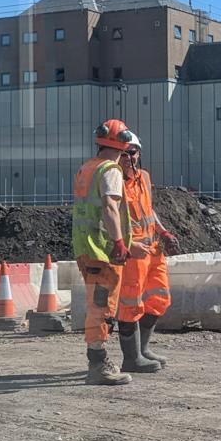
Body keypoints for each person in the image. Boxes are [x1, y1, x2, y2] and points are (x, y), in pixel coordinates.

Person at [72, 119, 148, 386]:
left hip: (86, 247)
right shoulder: (110, 170)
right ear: (124, 141)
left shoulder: (87, 168)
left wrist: (127, 244)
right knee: (102, 308)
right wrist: (119, 243)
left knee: (97, 304)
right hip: (102, 251)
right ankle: (97, 364)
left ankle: (98, 359)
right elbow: (109, 208)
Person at [116, 134, 178, 373]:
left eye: (132, 152)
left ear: (138, 153)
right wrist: (125, 244)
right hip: (133, 251)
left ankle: (143, 349)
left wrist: (164, 233)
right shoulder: (114, 182)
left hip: (153, 250)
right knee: (131, 303)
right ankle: (131, 358)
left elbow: (149, 211)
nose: (128, 157)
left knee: (159, 298)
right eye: (123, 153)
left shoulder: (144, 178)